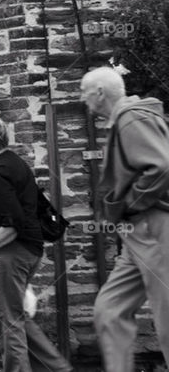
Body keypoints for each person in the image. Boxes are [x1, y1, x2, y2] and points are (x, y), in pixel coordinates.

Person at [81, 66, 169, 371]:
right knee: (110, 310)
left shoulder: (132, 116)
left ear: (100, 92)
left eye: (84, 92)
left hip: (154, 226)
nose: (83, 99)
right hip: (135, 232)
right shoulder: (124, 120)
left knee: (168, 318)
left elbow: (160, 166)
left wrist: (130, 202)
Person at [0, 116, 71, 371]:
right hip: (29, 250)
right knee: (17, 317)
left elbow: (12, 220)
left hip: (9, 253)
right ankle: (57, 368)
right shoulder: (15, 164)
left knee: (6, 323)